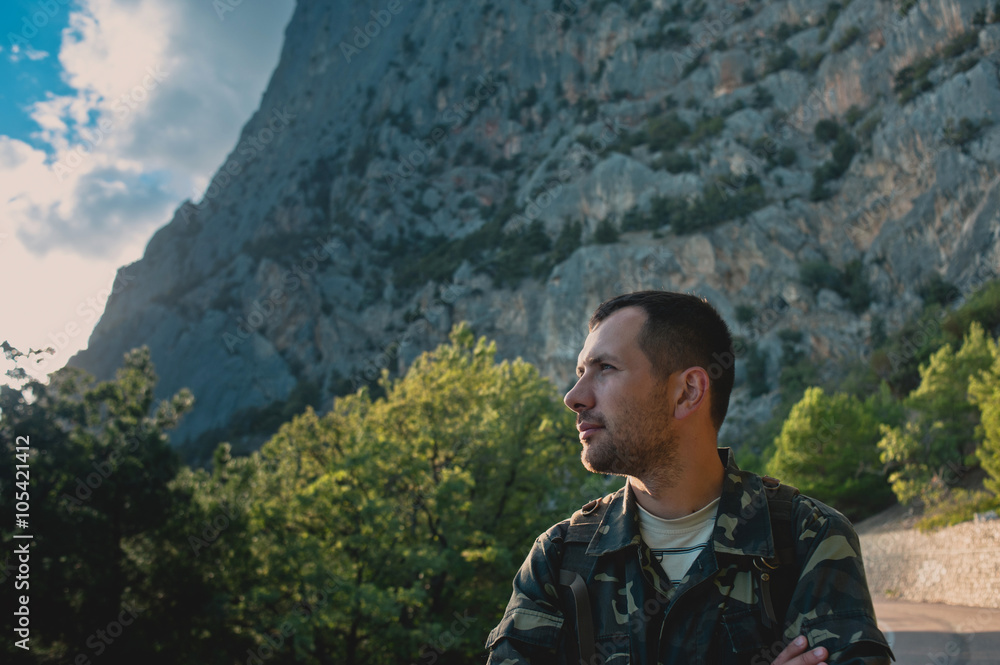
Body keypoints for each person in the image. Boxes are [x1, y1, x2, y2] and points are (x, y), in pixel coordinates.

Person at [485, 291, 893, 664]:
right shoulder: (558, 559)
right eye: (580, 371)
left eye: (604, 368)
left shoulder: (807, 539)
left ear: (688, 392)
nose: (574, 396)